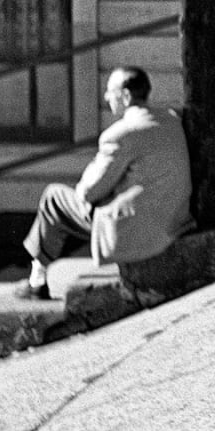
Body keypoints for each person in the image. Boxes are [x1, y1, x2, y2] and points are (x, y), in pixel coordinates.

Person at [16, 66, 193, 299]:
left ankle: (37, 280)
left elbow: (89, 191)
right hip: (173, 219)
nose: (106, 97)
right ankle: (38, 275)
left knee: (54, 197)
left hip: (135, 230)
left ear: (126, 96)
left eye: (111, 92)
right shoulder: (170, 120)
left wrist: (89, 185)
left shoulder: (119, 134)